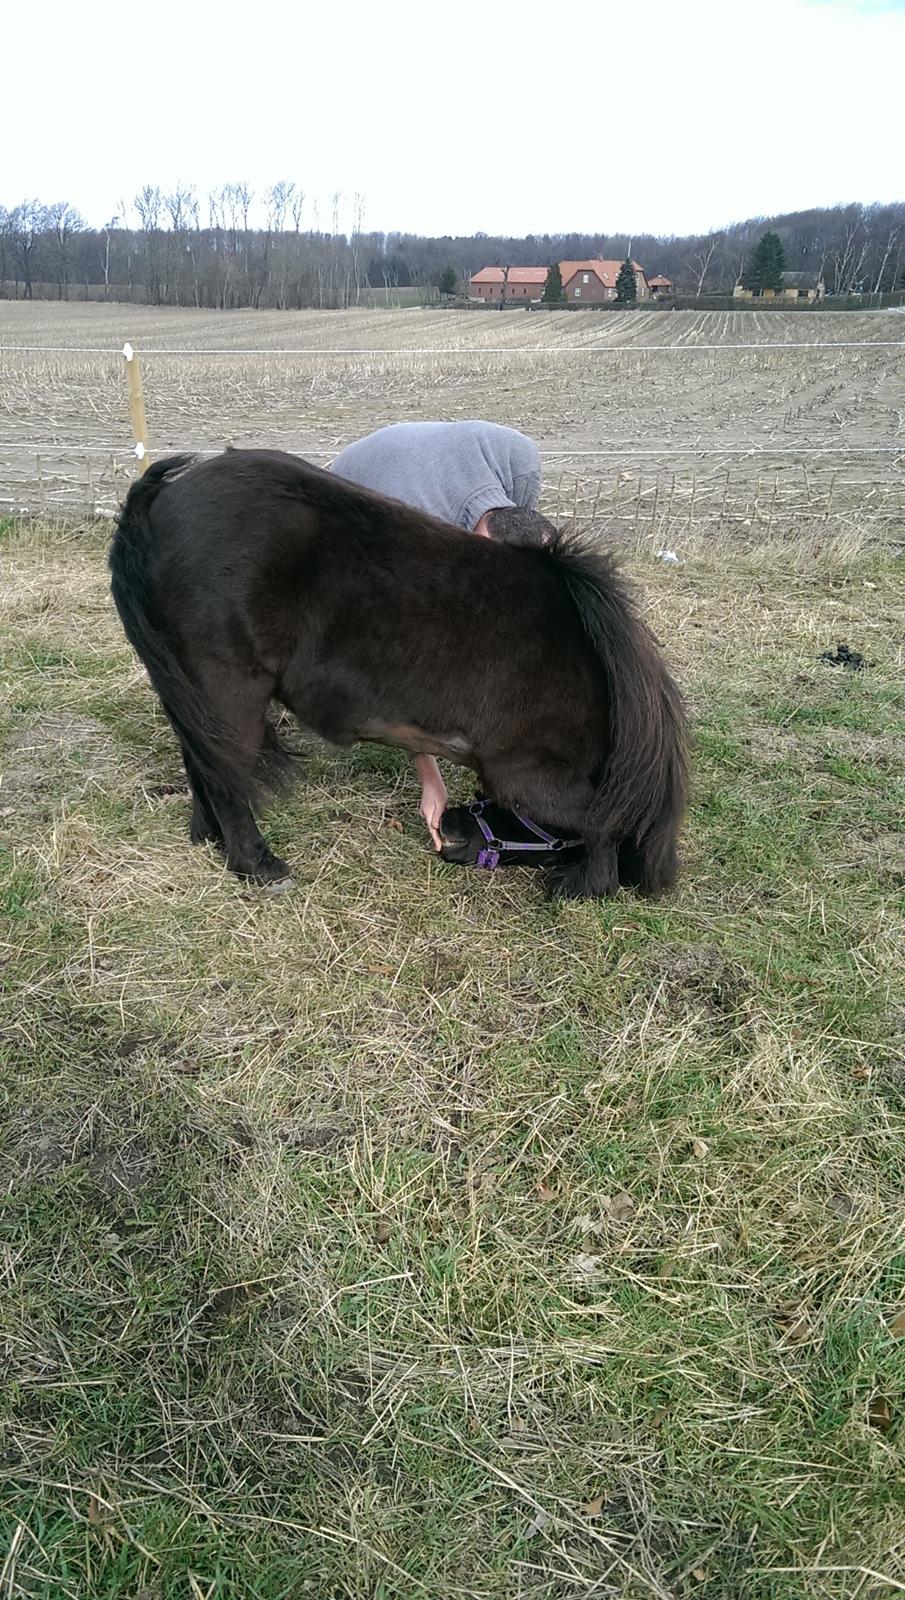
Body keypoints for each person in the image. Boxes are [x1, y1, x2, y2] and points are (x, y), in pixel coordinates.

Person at [329, 420, 553, 848]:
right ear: (472, 546)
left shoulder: (520, 460)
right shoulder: (408, 541)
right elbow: (412, 668)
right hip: (353, 482)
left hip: (428, 454)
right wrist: (429, 773)